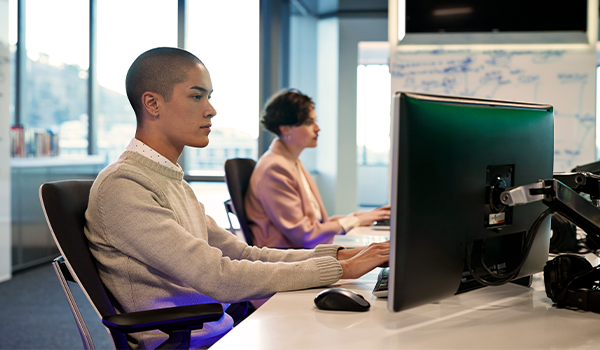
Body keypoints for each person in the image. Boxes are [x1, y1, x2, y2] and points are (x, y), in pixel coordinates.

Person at [83, 47, 389, 350]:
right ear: (152, 103)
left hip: (222, 332)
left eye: (209, 97)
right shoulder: (124, 185)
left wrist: (339, 257)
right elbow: (216, 276)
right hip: (190, 343)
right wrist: (342, 271)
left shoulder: (171, 180)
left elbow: (243, 254)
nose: (210, 109)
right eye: (196, 96)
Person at [244, 89, 391, 249]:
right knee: (376, 254)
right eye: (309, 122)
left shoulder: (291, 161)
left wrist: (359, 217)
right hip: (287, 256)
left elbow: (316, 223)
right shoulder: (275, 168)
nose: (317, 128)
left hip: (299, 250)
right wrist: (355, 221)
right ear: (285, 129)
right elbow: (304, 235)